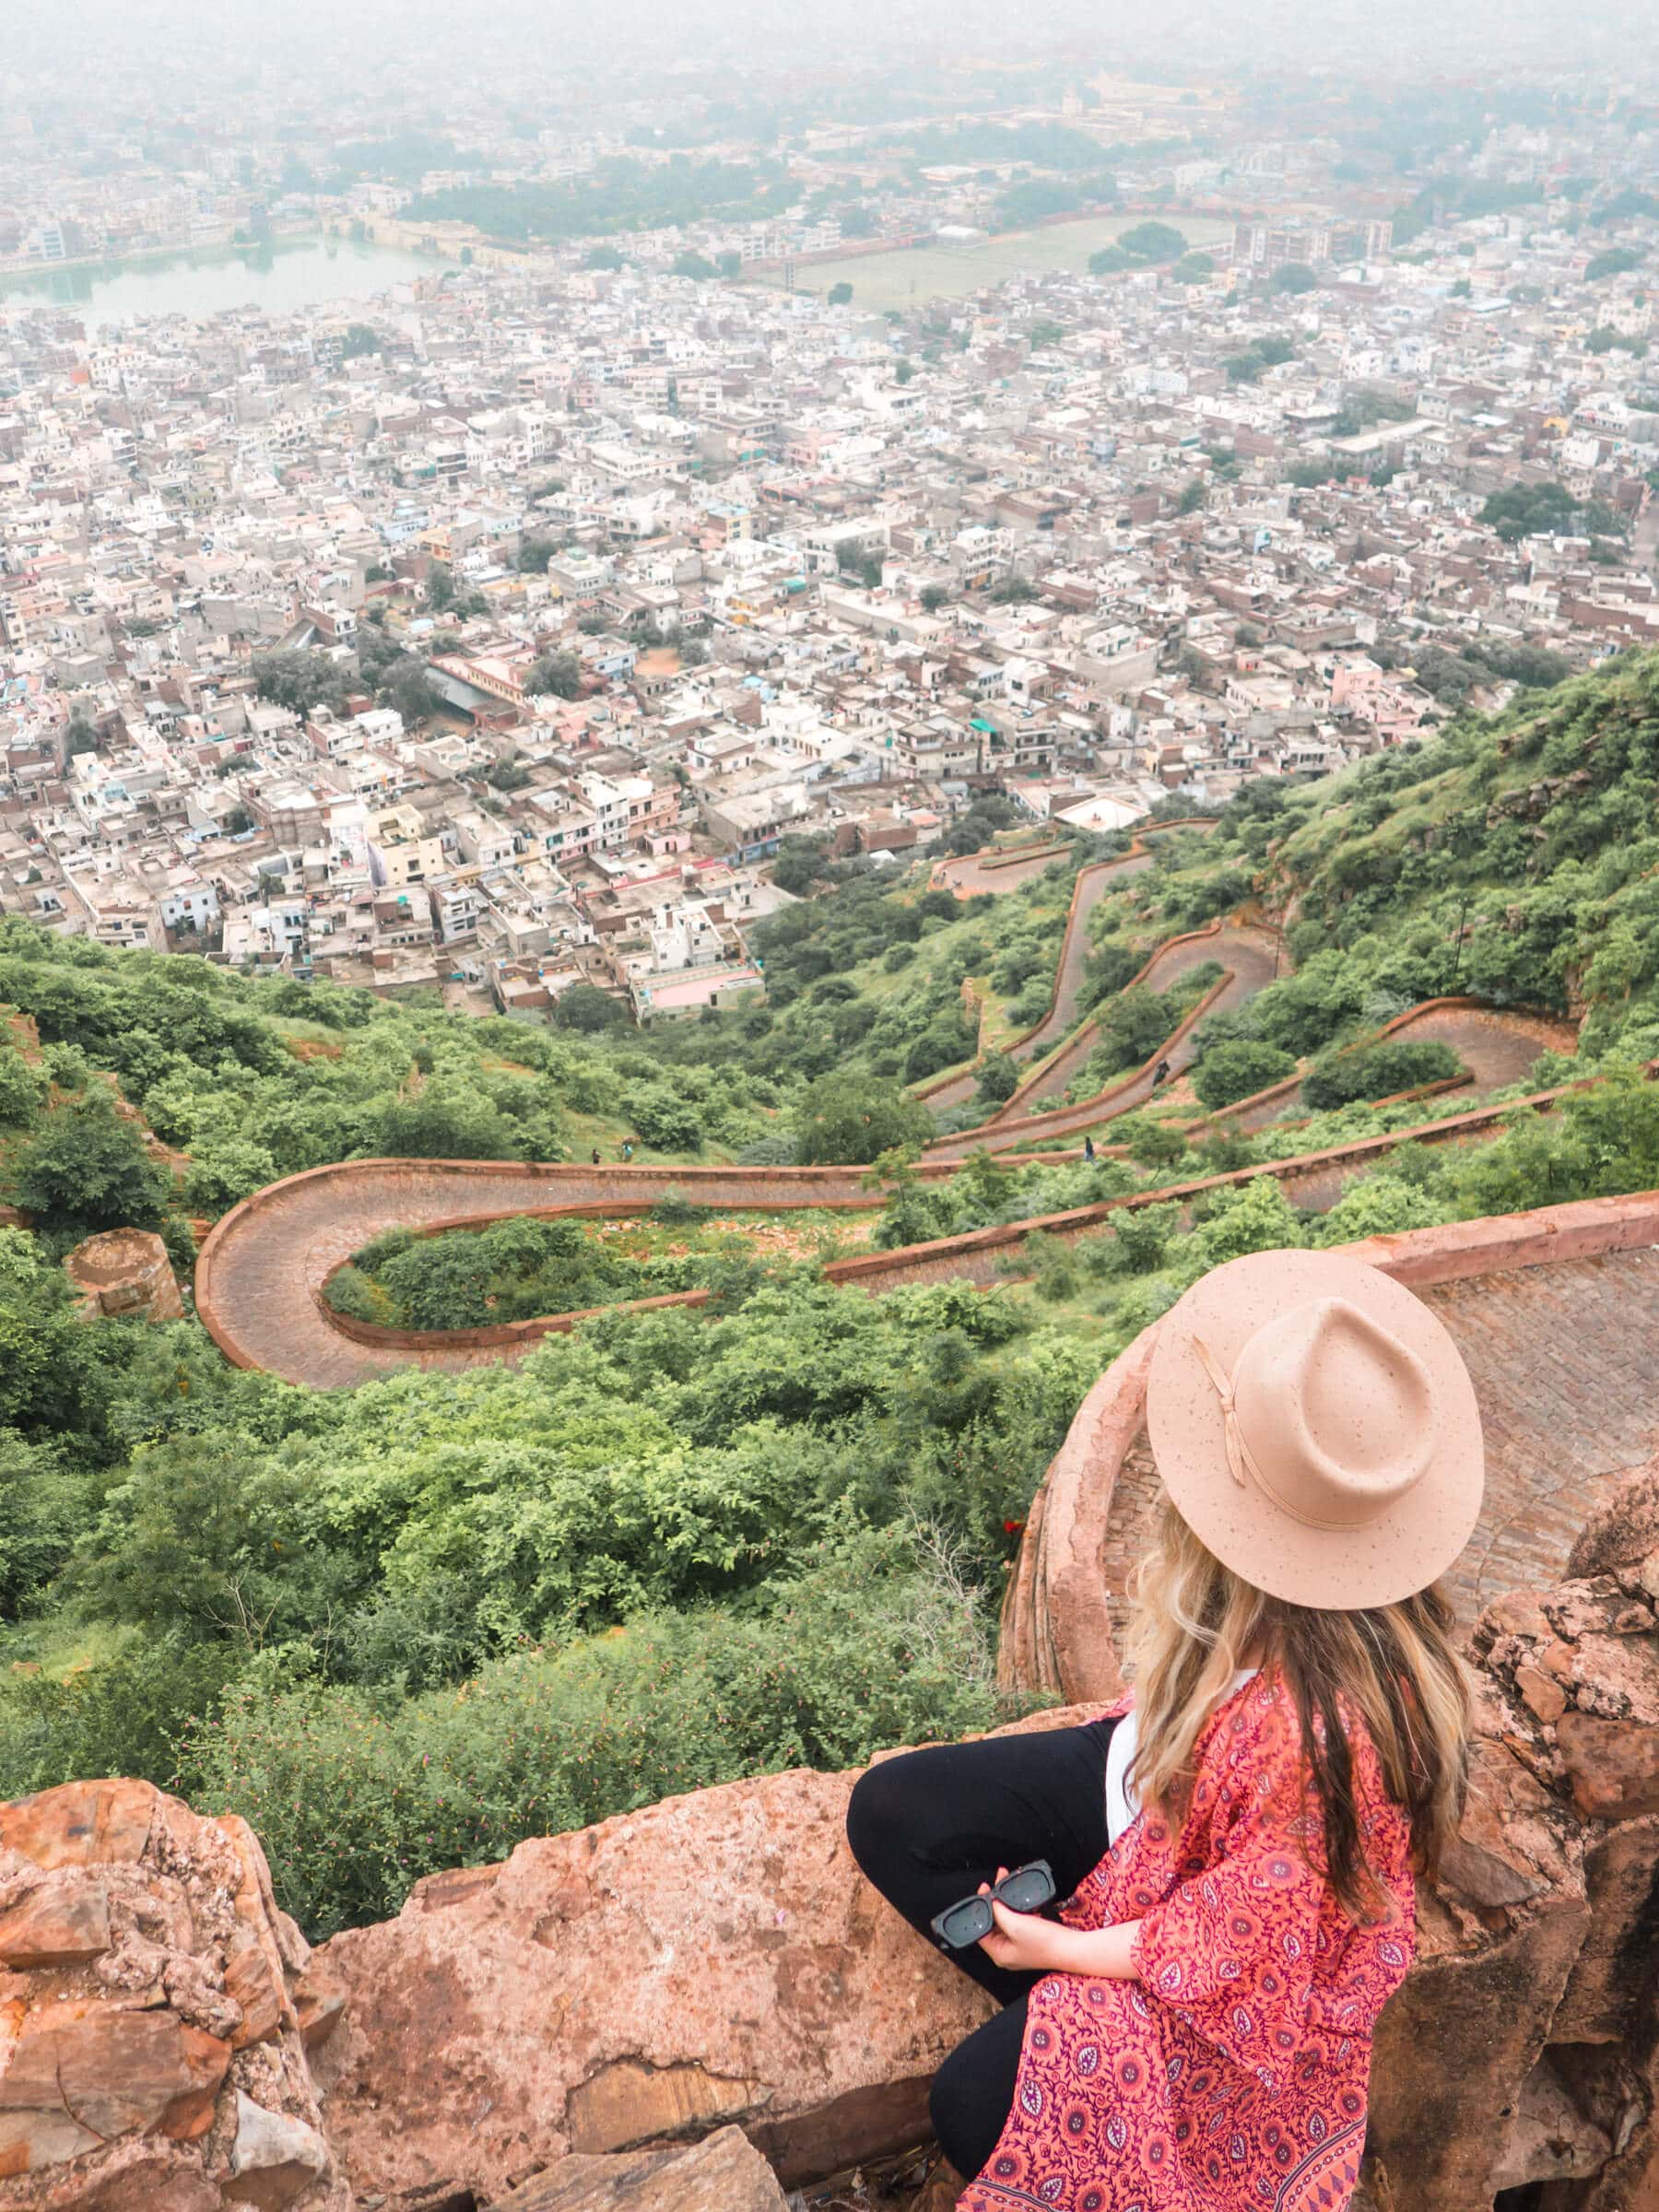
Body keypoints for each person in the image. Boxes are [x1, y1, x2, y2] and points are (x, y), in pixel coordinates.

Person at [847, 1246, 1482, 2212]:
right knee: (893, 1808)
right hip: (1167, 1789)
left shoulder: (1318, 1734)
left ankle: (1110, 2035)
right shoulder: (1301, 1632)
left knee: (976, 2104)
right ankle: (1095, 2025)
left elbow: (1249, 1934)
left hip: (1218, 1910)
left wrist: (1053, 1952)